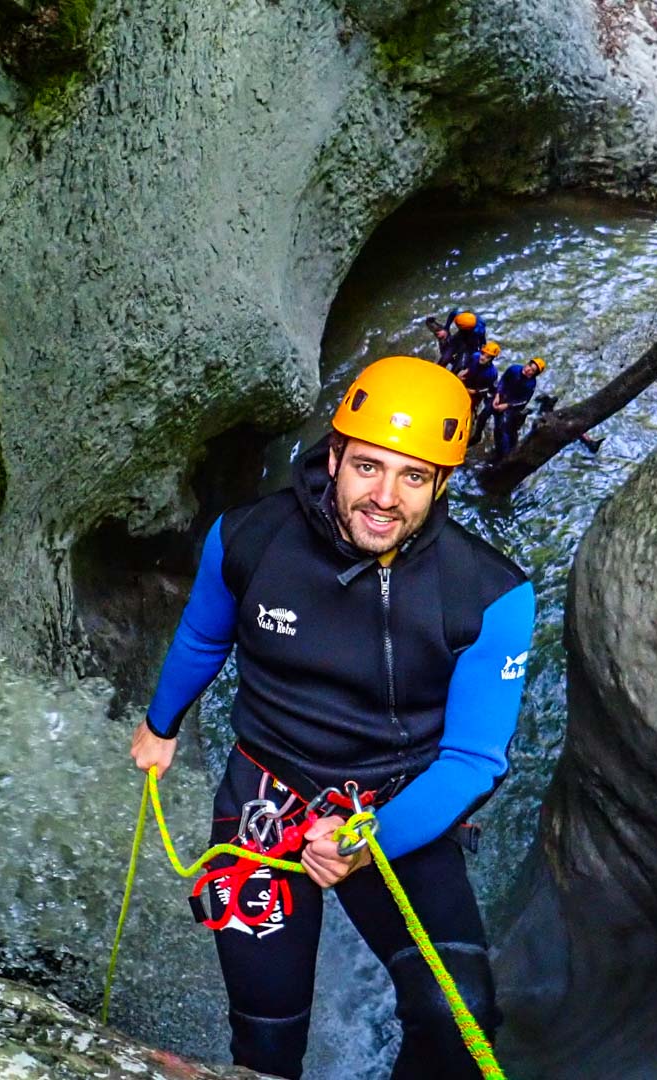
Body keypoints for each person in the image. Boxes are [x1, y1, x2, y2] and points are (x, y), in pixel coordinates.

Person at [130, 355, 535, 1080]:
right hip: (265, 798)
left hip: (395, 805)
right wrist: (160, 726)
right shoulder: (249, 538)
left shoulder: (490, 595)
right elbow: (201, 636)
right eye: (368, 468)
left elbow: (474, 760)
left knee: (457, 1019)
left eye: (413, 477)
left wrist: (363, 840)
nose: (385, 497)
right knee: (266, 1040)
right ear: (334, 454)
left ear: (440, 484)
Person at [488, 357, 546, 457]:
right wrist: (498, 394)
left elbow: (523, 401)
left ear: (534, 374)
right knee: (491, 419)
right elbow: (503, 380)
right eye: (529, 366)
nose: (528, 370)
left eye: (532, 370)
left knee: (505, 429)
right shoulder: (514, 369)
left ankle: (505, 454)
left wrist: (507, 405)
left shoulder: (530, 384)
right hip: (501, 397)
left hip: (512, 408)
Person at [463, 341, 502, 448]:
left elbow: (489, 390)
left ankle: (471, 418)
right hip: (467, 383)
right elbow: (468, 367)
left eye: (487, 357)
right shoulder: (475, 356)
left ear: (492, 359)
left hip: (476, 392)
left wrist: (474, 392)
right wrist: (464, 373)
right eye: (483, 354)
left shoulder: (492, 373)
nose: (483, 357)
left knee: (468, 409)